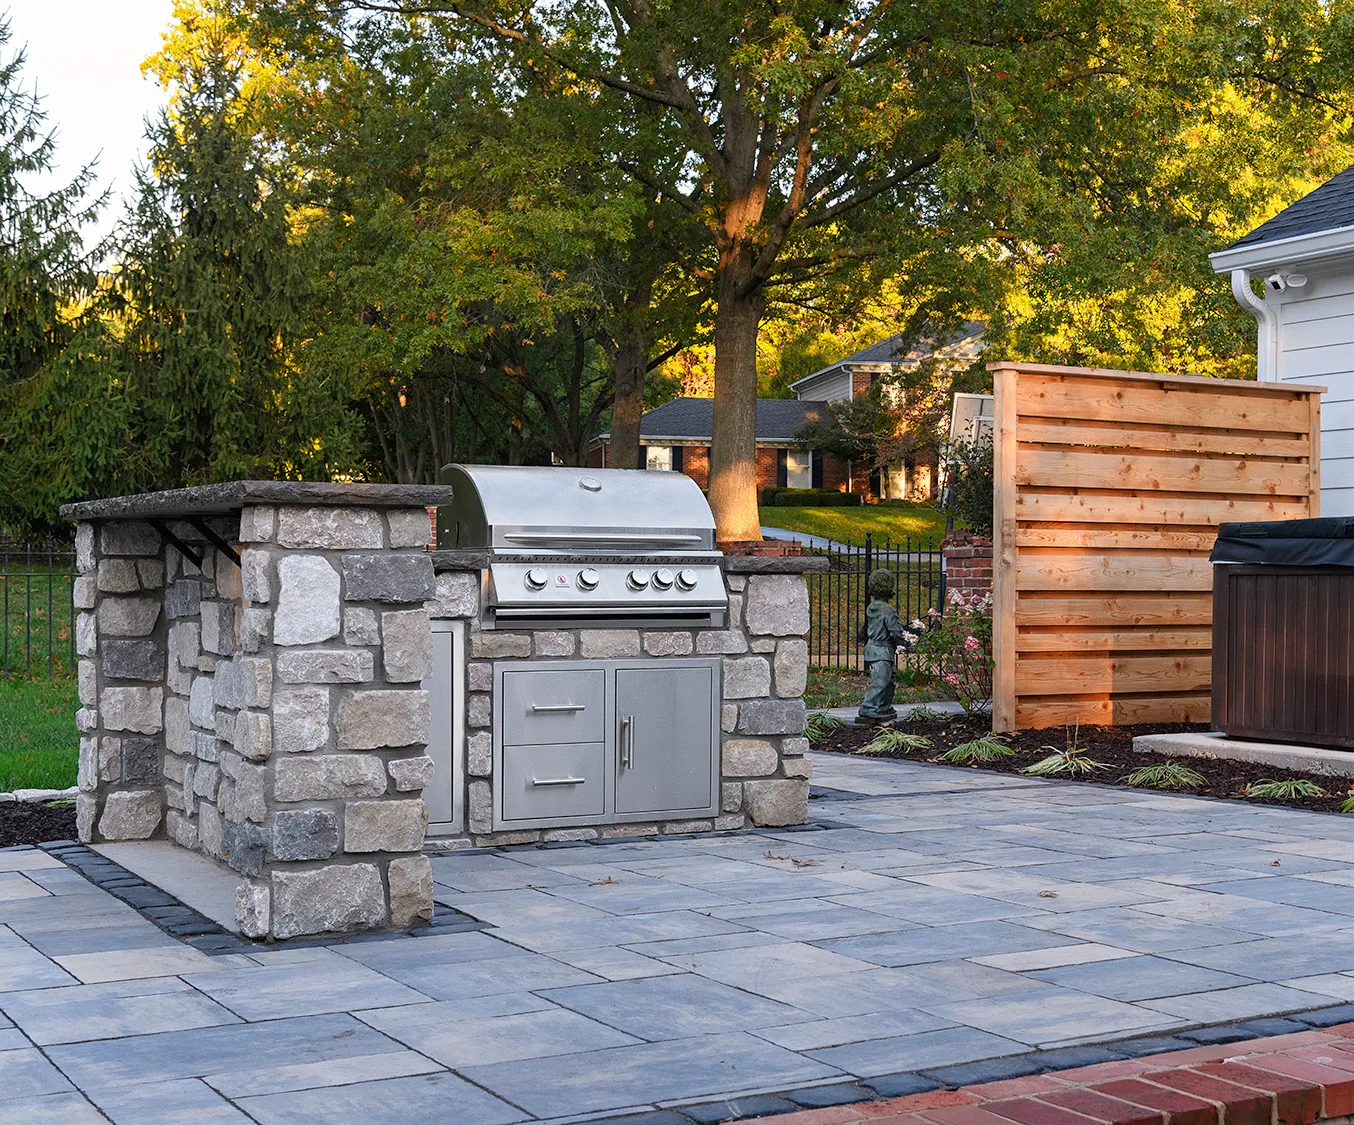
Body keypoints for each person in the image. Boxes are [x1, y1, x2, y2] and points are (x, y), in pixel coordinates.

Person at [856, 568, 915, 724]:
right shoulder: (888, 610)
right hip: (882, 650)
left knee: (889, 679)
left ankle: (883, 707)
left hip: (873, 649)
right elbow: (895, 632)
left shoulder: (872, 607)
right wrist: (906, 642)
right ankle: (868, 708)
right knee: (881, 681)